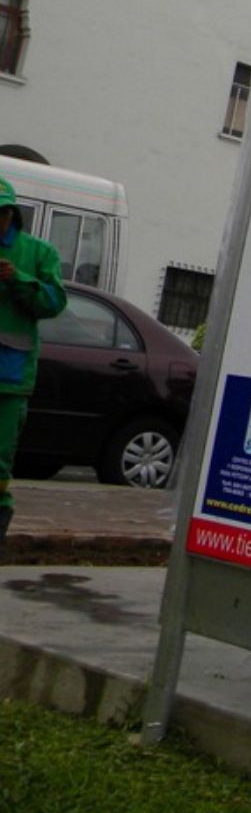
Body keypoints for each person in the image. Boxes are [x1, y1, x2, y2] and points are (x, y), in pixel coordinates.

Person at [0, 178, 68, 547]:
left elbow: (55, 303)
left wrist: (19, 280)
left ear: (10, 214)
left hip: (8, 379)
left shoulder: (38, 253)